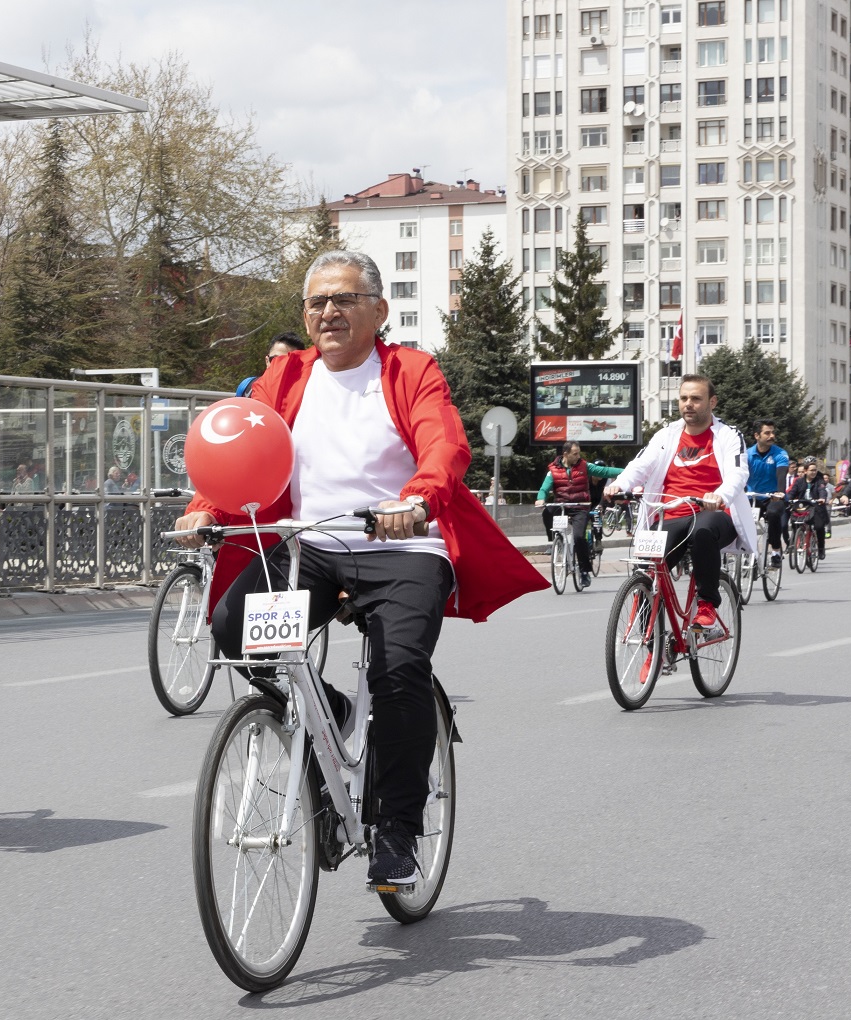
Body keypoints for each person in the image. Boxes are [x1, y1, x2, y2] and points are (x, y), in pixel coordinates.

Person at [174, 250, 546, 888]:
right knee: (235, 627)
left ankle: (397, 830)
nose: (328, 313)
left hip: (402, 548)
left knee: (399, 672)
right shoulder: (286, 376)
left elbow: (444, 442)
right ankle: (337, 712)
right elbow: (244, 447)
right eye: (316, 302)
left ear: (378, 310)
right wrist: (206, 508)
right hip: (310, 547)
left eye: (343, 300)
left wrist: (419, 500)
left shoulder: (410, 371)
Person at [604, 374, 752, 640]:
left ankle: (706, 604)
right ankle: (653, 647)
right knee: (647, 572)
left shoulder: (728, 435)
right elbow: (640, 465)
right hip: (671, 514)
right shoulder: (666, 434)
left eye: (696, 399)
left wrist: (719, 496)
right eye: (684, 398)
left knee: (702, 533)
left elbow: (737, 473)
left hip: (714, 514)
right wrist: (620, 484)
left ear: (712, 402)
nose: (688, 404)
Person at [534, 440, 621, 587]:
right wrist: (540, 499)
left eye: (579, 453)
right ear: (565, 454)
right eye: (575, 453)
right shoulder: (553, 470)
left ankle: (584, 571)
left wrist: (630, 472)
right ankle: (553, 539)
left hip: (580, 507)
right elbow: (544, 489)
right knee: (547, 512)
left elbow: (605, 471)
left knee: (579, 537)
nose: (578, 456)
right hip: (562, 505)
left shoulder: (585, 466)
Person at [745, 419, 791, 567]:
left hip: (773, 498)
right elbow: (741, 476)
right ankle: (743, 551)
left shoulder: (780, 454)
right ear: (757, 436)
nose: (772, 435)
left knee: (773, 514)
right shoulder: (747, 454)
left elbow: (781, 475)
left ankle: (776, 551)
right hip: (752, 497)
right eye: (767, 433)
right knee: (736, 516)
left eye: (773, 432)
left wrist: (780, 492)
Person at [235, 332, 306, 398]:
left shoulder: (305, 395)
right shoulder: (247, 387)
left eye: (289, 362)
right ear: (267, 361)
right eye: (276, 359)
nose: (282, 366)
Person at [786, 457, 832, 558]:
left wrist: (822, 498)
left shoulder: (819, 481)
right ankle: (796, 542)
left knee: (819, 527)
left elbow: (822, 490)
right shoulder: (799, 481)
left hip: (816, 508)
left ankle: (821, 549)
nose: (814, 472)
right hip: (802, 508)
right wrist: (787, 499)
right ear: (805, 471)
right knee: (795, 523)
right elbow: (792, 492)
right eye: (811, 470)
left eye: (815, 470)